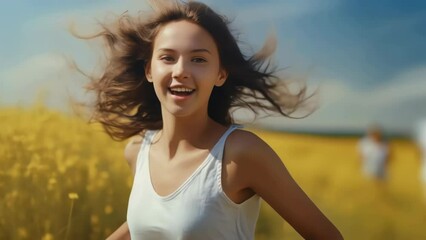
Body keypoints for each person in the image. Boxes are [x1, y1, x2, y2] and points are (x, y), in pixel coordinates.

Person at [80, 0, 343, 239]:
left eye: (198, 59)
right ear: (149, 70)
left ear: (220, 74)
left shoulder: (240, 153)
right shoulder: (137, 151)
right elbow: (151, 223)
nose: (181, 71)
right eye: (168, 58)